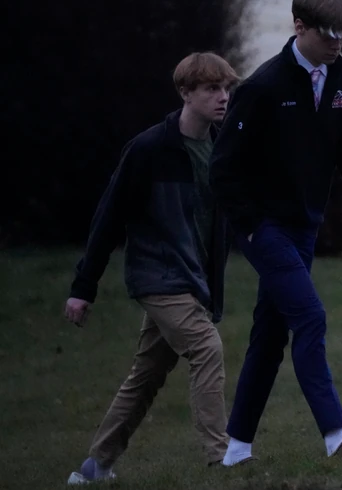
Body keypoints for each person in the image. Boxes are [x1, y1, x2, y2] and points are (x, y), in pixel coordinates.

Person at [209, 0, 342, 464]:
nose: (337, 43)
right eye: (329, 34)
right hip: (264, 227)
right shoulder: (261, 87)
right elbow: (222, 169)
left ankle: (235, 451)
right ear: (299, 27)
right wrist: (252, 226)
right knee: (310, 317)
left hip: (303, 226)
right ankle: (337, 437)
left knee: (271, 332)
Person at [64, 52, 241, 484]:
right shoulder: (149, 149)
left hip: (194, 278)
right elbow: (109, 217)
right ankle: (221, 460)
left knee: (146, 376)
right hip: (158, 276)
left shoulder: (220, 148)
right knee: (206, 347)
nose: (222, 98)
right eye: (210, 89)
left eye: (225, 89)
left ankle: (95, 467)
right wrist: (83, 286)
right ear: (185, 93)